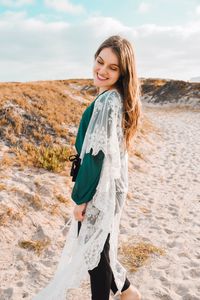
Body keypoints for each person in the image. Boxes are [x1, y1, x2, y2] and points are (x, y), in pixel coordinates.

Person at [33, 35, 142, 300]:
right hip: (109, 189)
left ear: (123, 72)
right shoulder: (115, 98)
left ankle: (128, 293)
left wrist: (81, 199)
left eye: (112, 67)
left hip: (99, 191)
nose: (102, 70)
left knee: (95, 257)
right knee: (98, 248)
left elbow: (95, 158)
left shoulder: (107, 102)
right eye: (100, 61)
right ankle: (128, 292)